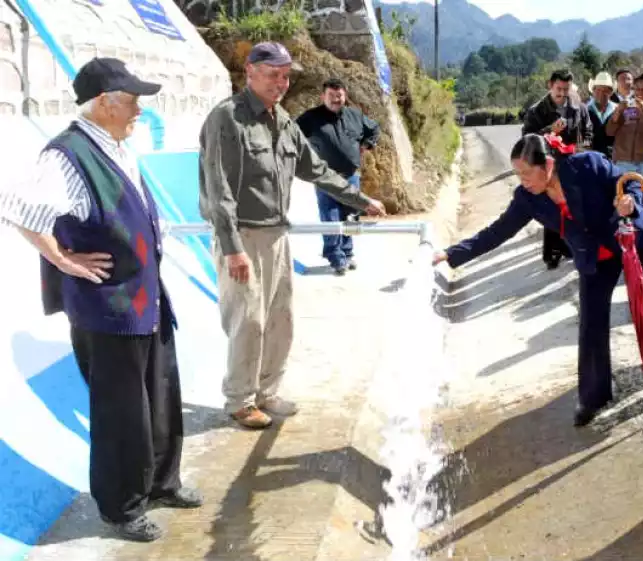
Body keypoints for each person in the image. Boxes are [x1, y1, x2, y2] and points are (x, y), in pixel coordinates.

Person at [1, 58, 201, 542]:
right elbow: (22, 208)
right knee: (120, 412)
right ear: (105, 103)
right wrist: (64, 260)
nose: (138, 110)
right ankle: (121, 507)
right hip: (108, 308)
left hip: (144, 298)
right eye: (131, 101)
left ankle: (160, 482)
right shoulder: (66, 155)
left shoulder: (113, 144)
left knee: (159, 393)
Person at [432, 134, 643, 426]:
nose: (522, 180)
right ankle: (593, 397)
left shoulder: (585, 165)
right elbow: (498, 231)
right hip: (595, 257)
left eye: (526, 172)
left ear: (548, 164)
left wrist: (631, 203)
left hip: (631, 238)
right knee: (591, 323)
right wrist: (450, 254)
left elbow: (629, 182)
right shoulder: (528, 198)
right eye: (518, 174)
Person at [199, 42, 386, 430]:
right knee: (247, 320)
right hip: (242, 237)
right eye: (273, 75)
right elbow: (219, 191)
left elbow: (316, 169)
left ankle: (267, 392)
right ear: (250, 71)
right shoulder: (227, 119)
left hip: (277, 234)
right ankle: (239, 400)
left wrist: (360, 198)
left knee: (279, 319)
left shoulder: (282, 121)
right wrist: (233, 249)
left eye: (286, 76)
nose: (281, 83)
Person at [297, 77, 380, 275]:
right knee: (331, 217)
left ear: (345, 96)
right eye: (332, 96)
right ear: (322, 96)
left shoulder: (355, 115)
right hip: (326, 178)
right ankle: (335, 257)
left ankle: (347, 253)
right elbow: (292, 135)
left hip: (351, 177)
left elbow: (374, 129)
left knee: (350, 217)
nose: (336, 99)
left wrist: (367, 144)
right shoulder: (310, 118)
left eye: (339, 95)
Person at [522, 69, 592, 270]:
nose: (562, 93)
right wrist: (549, 131)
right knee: (552, 210)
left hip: (573, 164)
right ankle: (551, 253)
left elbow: (588, 132)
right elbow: (527, 139)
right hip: (548, 169)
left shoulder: (578, 107)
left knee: (571, 208)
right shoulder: (537, 111)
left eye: (566, 89)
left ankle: (568, 246)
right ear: (550, 86)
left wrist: (580, 149)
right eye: (559, 89)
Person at [606, 72, 643, 176]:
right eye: (637, 89)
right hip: (622, 162)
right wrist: (617, 112)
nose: (640, 92)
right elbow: (609, 132)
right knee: (622, 191)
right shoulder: (625, 106)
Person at [587, 71, 617, 158]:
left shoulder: (617, 109)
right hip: (591, 157)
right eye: (598, 89)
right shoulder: (585, 110)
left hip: (613, 158)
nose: (601, 93)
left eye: (605, 91)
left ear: (611, 93)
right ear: (593, 90)